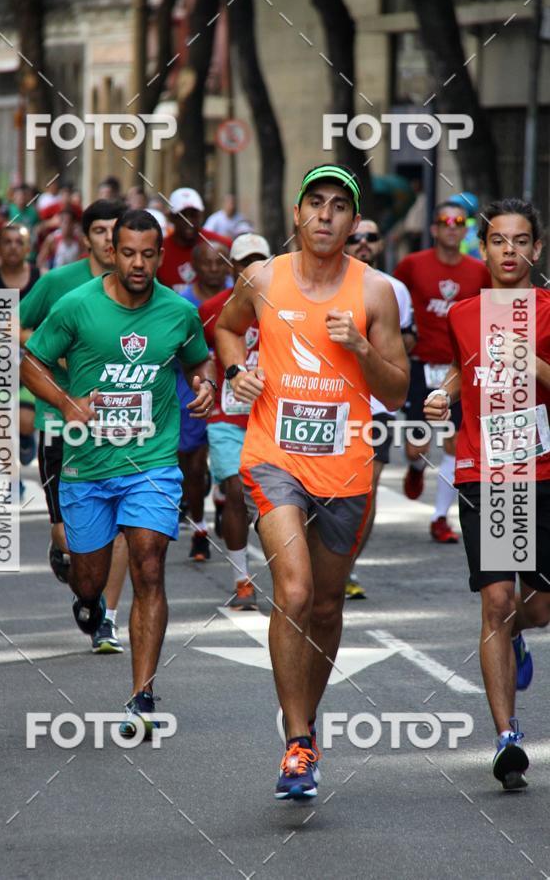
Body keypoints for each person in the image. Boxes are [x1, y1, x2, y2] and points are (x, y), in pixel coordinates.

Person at [216, 164, 409, 799]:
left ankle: (307, 720)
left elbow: (398, 388)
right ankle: (297, 739)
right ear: (297, 214)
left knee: (326, 605)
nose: (326, 215)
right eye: (315, 203)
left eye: (339, 207)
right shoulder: (264, 277)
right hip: (274, 457)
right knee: (293, 591)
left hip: (346, 467)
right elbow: (224, 325)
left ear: (353, 223)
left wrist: (359, 345)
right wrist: (238, 370)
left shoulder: (376, 291)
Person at [21, 209, 216, 734]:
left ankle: (142, 695)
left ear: (160, 254)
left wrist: (204, 385)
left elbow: (199, 360)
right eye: (127, 252)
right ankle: (87, 600)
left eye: (148, 254)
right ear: (111, 251)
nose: (137, 263)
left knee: (149, 566)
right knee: (89, 580)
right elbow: (29, 360)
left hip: (151, 462)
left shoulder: (178, 312)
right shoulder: (76, 306)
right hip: (87, 467)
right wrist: (66, 403)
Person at [424, 198, 550, 790]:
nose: (509, 251)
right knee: (496, 599)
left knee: (540, 606)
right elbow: (460, 363)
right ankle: (507, 737)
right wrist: (443, 393)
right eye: (498, 240)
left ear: (537, 250)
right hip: (489, 470)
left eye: (520, 241)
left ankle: (521, 630)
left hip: (543, 472)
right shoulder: (464, 312)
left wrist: (532, 361)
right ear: (484, 248)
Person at [20, 199, 129, 654]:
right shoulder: (59, 284)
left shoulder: (138, 286)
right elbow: (7, 328)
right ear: (86, 238)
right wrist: (56, 347)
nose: (108, 239)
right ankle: (71, 562)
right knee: (72, 537)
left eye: (115, 231)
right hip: (61, 424)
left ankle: (110, 620)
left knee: (124, 524)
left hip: (122, 427)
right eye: (100, 231)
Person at [394, 201, 490, 543]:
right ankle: (417, 467)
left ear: (465, 230)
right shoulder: (411, 265)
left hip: (459, 370)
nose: (452, 226)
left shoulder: (478, 272)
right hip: (420, 365)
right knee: (415, 446)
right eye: (445, 221)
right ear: (433, 229)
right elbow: (397, 305)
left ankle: (439, 518)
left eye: (459, 221)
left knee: (453, 442)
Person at [343, 220, 415, 598]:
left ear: (381, 241)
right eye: (355, 238)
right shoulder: (328, 284)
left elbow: (409, 340)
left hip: (377, 407)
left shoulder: (394, 289)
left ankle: (346, 568)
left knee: (366, 490)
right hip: (331, 402)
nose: (363, 244)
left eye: (371, 237)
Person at [199, 233, 270, 607]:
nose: (252, 269)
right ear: (233, 267)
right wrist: (211, 380)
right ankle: (242, 578)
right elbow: (197, 356)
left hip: (270, 418)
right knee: (236, 491)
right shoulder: (212, 308)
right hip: (226, 417)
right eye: (245, 262)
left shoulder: (280, 305)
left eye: (260, 261)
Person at [177, 240, 231, 560]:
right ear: (194, 266)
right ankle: (199, 526)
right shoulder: (182, 303)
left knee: (230, 462)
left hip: (230, 389)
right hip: (192, 386)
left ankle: (224, 495)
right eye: (207, 263)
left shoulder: (239, 298)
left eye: (219, 262)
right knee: (194, 466)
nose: (213, 268)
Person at [0, 225, 40, 483]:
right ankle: (12, 481)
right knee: (0, 426)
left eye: (18, 242)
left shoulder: (40, 277)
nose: (13, 247)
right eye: (7, 242)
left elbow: (51, 318)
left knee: (25, 421)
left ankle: (26, 438)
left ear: (28, 248)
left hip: (29, 360)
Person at [157, 187, 231, 293]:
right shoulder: (159, 249)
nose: (189, 221)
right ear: (171, 217)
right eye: (182, 216)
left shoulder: (222, 245)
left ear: (201, 215)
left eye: (193, 215)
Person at [37, 207, 85, 273]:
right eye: (64, 222)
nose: (66, 225)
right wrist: (46, 272)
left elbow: (86, 259)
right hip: (57, 277)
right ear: (59, 223)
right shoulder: (52, 239)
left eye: (69, 222)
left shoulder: (79, 239)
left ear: (74, 224)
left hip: (73, 276)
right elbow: (40, 261)